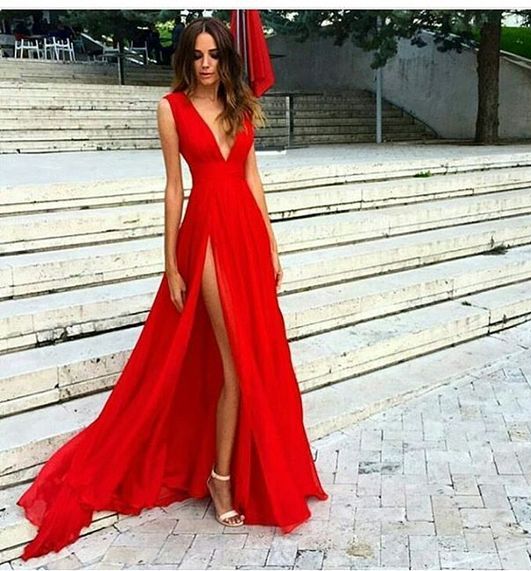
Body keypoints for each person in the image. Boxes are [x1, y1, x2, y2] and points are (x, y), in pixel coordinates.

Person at [16, 16, 329, 561]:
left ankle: (233, 469)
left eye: (213, 55)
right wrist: (171, 266)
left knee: (257, 355)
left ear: (225, 58)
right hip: (205, 233)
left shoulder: (241, 104)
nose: (205, 64)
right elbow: (172, 190)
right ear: (184, 59)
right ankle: (221, 478)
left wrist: (274, 244)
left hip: (247, 234)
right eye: (197, 56)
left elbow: (252, 176)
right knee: (236, 364)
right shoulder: (171, 109)